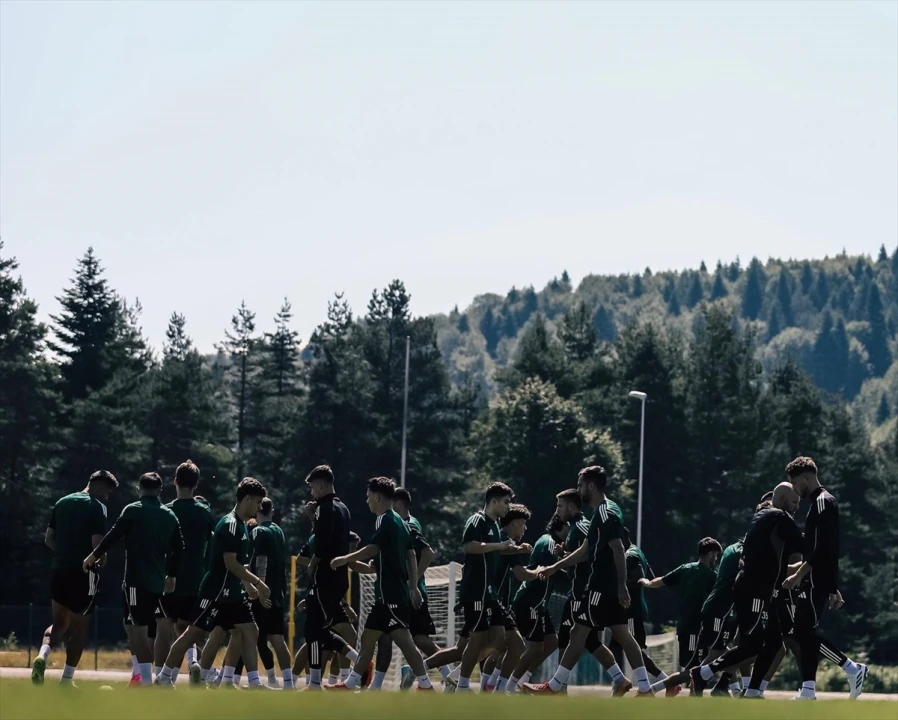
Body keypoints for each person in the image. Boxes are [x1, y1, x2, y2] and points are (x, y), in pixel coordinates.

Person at [527, 469, 649, 696]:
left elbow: (618, 549)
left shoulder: (605, 513)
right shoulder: (602, 512)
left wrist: (621, 585)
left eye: (580, 485)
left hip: (600, 587)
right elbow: (584, 551)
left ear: (591, 486)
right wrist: (555, 567)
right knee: (622, 635)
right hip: (606, 588)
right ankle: (645, 687)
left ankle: (554, 686)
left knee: (578, 633)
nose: (579, 489)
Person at [157, 477, 271, 689]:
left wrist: (248, 586)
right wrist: (258, 582)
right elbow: (230, 563)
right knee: (192, 634)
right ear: (247, 499)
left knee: (250, 630)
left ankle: (253, 682)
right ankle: (163, 677)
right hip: (216, 592)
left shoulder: (242, 526)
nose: (258, 507)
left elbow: (240, 564)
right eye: (257, 502)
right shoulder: (230, 525)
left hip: (233, 594)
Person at [689, 482, 802, 695]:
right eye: (794, 502)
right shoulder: (778, 516)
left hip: (760, 591)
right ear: (782, 499)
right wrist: (816, 559)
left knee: (774, 644)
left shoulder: (765, 518)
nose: (797, 507)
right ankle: (704, 673)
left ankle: (752, 691)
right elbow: (803, 544)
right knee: (753, 645)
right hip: (754, 591)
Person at [325, 477, 434, 691]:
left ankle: (425, 685)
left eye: (368, 497)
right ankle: (351, 683)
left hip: (391, 595)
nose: (367, 501)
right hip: (386, 596)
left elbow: (373, 548)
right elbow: (410, 554)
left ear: (377, 497)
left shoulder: (385, 519)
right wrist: (412, 586)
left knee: (405, 641)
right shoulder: (399, 521)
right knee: (368, 638)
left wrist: (345, 558)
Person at [83, 472, 183, 686]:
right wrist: (172, 575)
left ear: (139, 489)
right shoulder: (169, 515)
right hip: (158, 583)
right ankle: (141, 677)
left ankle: (146, 683)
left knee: (137, 631)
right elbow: (180, 549)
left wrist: (93, 555)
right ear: (160, 490)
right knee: (133, 627)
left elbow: (113, 535)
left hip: (136, 582)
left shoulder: (133, 510)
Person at [781, 456, 867, 700]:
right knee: (804, 633)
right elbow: (829, 549)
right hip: (818, 579)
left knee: (802, 633)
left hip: (812, 579)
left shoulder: (822, 503)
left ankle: (852, 668)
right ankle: (808, 690)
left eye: (795, 483)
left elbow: (821, 549)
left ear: (806, 478)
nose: (794, 489)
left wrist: (798, 575)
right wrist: (833, 586)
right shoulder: (822, 502)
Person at [32, 470, 118, 686]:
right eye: (106, 492)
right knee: (80, 628)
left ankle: (42, 655)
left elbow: (49, 538)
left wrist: (64, 553)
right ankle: (67, 679)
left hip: (59, 570)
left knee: (59, 623)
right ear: (98, 486)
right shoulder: (97, 507)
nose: (106, 497)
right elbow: (97, 546)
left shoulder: (62, 502)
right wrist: (102, 559)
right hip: (83, 574)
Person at [152, 461, 215, 686]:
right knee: (187, 629)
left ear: (175, 481)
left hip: (167, 579)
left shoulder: (166, 511)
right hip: (196, 580)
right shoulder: (204, 513)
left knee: (163, 628)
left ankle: (162, 677)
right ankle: (191, 663)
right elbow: (213, 544)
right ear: (196, 485)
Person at [455, 482, 516, 692]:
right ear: (494, 501)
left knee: (501, 639)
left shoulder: (495, 526)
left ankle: (458, 676)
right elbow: (469, 546)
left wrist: (515, 549)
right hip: (476, 590)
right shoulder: (477, 520)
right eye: (506, 502)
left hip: (490, 592)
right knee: (477, 639)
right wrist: (499, 545)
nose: (508, 506)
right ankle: (462, 685)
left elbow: (493, 551)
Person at [639, 536, 721, 684]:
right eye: (715, 555)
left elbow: (662, 580)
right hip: (694, 627)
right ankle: (654, 688)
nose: (716, 559)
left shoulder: (686, 569)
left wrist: (647, 583)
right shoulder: (711, 576)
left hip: (686, 625)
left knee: (696, 669)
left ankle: (693, 694)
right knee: (692, 670)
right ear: (710, 554)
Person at [303, 465, 354, 690]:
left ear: (321, 484)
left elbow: (322, 542)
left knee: (315, 631)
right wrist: (313, 519)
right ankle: (358, 663)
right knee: (318, 629)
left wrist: (313, 563)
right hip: (339, 579)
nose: (311, 491)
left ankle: (317, 682)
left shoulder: (325, 508)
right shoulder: (343, 508)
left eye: (312, 486)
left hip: (325, 578)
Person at [481, 504, 541, 693]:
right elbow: (521, 574)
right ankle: (496, 689)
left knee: (497, 647)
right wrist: (542, 572)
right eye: (523, 524)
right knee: (512, 645)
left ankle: (486, 687)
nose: (525, 529)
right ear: (514, 523)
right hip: (490, 600)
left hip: (492, 600)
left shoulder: (503, 541)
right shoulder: (507, 542)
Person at [508, 514, 568, 693]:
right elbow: (551, 569)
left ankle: (522, 681)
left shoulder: (553, 544)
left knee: (551, 642)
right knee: (532, 647)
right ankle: (508, 686)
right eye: (570, 527)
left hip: (539, 604)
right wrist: (575, 572)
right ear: (563, 526)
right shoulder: (548, 542)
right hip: (530, 601)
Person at [248, 497, 293, 688]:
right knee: (278, 639)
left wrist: (260, 588)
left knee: (255, 637)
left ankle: (271, 679)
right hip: (278, 592)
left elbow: (261, 560)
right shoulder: (278, 530)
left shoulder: (259, 531)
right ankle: (289, 682)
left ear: (257, 510)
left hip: (264, 593)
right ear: (271, 511)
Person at [621, 529, 668, 691]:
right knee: (618, 645)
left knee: (635, 650)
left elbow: (640, 576)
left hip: (632, 610)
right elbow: (651, 575)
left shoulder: (630, 555)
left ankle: (664, 681)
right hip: (632, 609)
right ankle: (619, 681)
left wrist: (619, 586)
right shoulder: (638, 551)